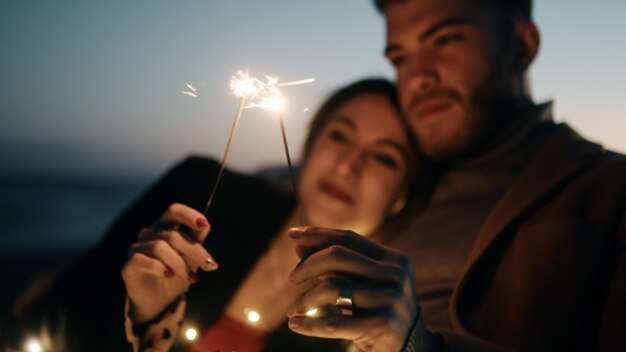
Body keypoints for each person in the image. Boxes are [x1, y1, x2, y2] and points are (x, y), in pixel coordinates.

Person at [285, 1, 626, 351]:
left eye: (445, 40)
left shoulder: (609, 187)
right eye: (400, 59)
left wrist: (417, 344)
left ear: (523, 44)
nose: (417, 78)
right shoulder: (403, 183)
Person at [11, 78, 429, 351]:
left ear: (401, 196)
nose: (348, 165)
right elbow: (52, 319)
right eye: (340, 135)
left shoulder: (368, 318)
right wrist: (141, 315)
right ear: (310, 144)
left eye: (384, 159)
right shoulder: (198, 196)